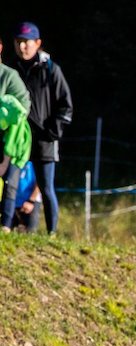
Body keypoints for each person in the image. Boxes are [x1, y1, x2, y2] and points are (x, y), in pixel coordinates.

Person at [12, 22, 72, 235]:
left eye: (26, 43)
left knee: (46, 188)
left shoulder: (50, 70)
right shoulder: (12, 70)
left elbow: (66, 105)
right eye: (18, 42)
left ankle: (51, 233)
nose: (22, 47)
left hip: (45, 140)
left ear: (37, 43)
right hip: (17, 138)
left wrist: (53, 132)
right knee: (9, 183)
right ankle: (6, 227)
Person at [0, 35, 30, 232]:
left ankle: (5, 227)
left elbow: (24, 106)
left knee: (10, 183)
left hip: (11, 140)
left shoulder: (9, 76)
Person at [12, 160, 39, 232]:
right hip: (12, 201)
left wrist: (31, 201)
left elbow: (41, 183)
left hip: (31, 202)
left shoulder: (37, 163)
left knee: (30, 232)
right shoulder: (13, 160)